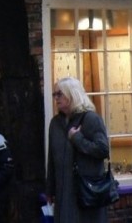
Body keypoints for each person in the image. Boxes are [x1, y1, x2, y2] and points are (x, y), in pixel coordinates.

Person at [46, 77, 110, 223]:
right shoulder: (55, 123)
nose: (56, 98)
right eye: (54, 95)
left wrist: (77, 139)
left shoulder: (91, 119)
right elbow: (52, 159)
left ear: (72, 94)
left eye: (59, 94)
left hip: (85, 193)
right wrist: (50, 188)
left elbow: (103, 150)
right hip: (63, 192)